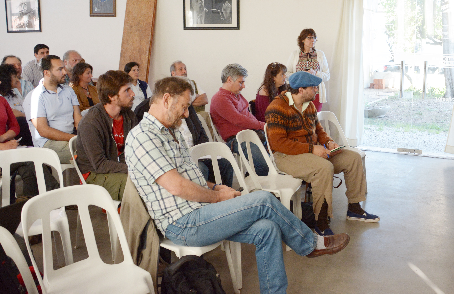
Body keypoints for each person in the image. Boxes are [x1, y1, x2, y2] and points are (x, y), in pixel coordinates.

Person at [126, 76, 350, 294]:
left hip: (201, 211)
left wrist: (215, 188)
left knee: (268, 229)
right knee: (263, 200)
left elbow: (190, 177)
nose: (186, 114)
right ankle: (309, 244)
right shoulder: (142, 137)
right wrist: (217, 198)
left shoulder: (170, 132)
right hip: (183, 223)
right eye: (184, 107)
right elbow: (175, 186)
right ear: (166, 100)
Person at [265, 71, 378, 236]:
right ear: (301, 90)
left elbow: (319, 130)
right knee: (324, 168)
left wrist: (328, 142)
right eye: (314, 87)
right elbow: (278, 143)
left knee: (352, 158)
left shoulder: (309, 105)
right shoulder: (276, 108)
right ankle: (321, 222)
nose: (316, 90)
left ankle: (354, 208)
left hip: (309, 151)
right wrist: (311, 149)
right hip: (285, 156)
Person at [75, 70, 136, 200]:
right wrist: (134, 169)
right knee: (137, 184)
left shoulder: (129, 116)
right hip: (93, 174)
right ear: (111, 96)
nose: (132, 94)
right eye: (127, 90)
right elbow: (100, 164)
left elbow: (135, 148)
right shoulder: (90, 123)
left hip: (120, 167)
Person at [0, 84, 58, 200]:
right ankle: (57, 195)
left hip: (7, 151)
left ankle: (26, 206)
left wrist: (2, 138)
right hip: (4, 153)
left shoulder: (2, 100)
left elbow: (15, 126)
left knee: (27, 171)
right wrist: (2, 145)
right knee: (32, 158)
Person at [210, 63, 268, 176]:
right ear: (229, 80)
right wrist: (263, 125)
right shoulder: (220, 98)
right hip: (236, 140)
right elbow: (239, 120)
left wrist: (262, 126)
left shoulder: (237, 95)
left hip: (249, 135)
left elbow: (248, 116)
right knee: (264, 166)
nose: (243, 86)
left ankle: (259, 185)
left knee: (272, 160)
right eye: (241, 82)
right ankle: (251, 188)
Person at [23, 55, 82, 164]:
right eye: (60, 69)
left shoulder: (68, 90)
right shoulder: (35, 97)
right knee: (87, 154)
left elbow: (78, 119)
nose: (65, 72)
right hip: (47, 144)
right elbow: (43, 130)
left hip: (70, 138)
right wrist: (75, 138)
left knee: (99, 147)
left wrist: (85, 136)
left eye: (64, 68)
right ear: (47, 73)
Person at [286, 28, 330, 111]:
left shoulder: (320, 54)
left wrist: (315, 73)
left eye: (314, 38)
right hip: (298, 94)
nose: (312, 40)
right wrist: (300, 75)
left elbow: (327, 76)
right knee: (298, 118)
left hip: (316, 93)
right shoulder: (295, 54)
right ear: (302, 40)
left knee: (313, 118)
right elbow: (287, 75)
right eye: (309, 38)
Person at [0, 60, 34, 146]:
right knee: (22, 121)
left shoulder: (14, 94)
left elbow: (15, 126)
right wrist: (26, 116)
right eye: (14, 77)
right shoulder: (2, 98)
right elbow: (12, 113)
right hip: (10, 134)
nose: (17, 80)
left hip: (12, 134)